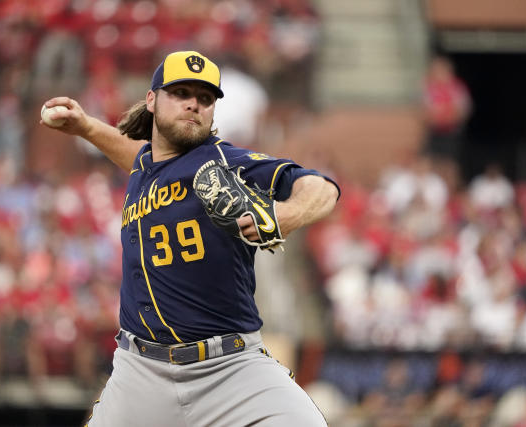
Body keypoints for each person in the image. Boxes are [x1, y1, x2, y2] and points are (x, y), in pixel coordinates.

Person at [40, 50, 340, 426]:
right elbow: (136, 155)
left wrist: (284, 215)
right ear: (151, 100)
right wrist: (86, 126)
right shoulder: (146, 166)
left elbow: (320, 187)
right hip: (140, 371)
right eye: (180, 93)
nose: (193, 104)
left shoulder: (224, 161)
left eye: (205, 98)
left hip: (230, 368)